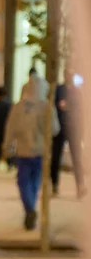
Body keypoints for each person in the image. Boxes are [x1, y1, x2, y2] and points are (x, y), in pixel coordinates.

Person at [4, 83, 60, 230]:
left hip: (24, 152)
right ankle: (30, 209)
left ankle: (29, 209)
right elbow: (55, 129)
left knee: (24, 182)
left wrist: (8, 146)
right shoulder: (47, 106)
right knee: (34, 183)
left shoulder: (21, 107)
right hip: (39, 152)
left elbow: (10, 129)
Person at [51, 68, 87, 198]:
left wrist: (82, 130)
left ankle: (80, 185)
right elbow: (53, 108)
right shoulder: (58, 90)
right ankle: (54, 185)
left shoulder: (77, 92)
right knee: (56, 157)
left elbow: (82, 111)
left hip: (73, 128)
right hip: (60, 128)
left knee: (77, 158)